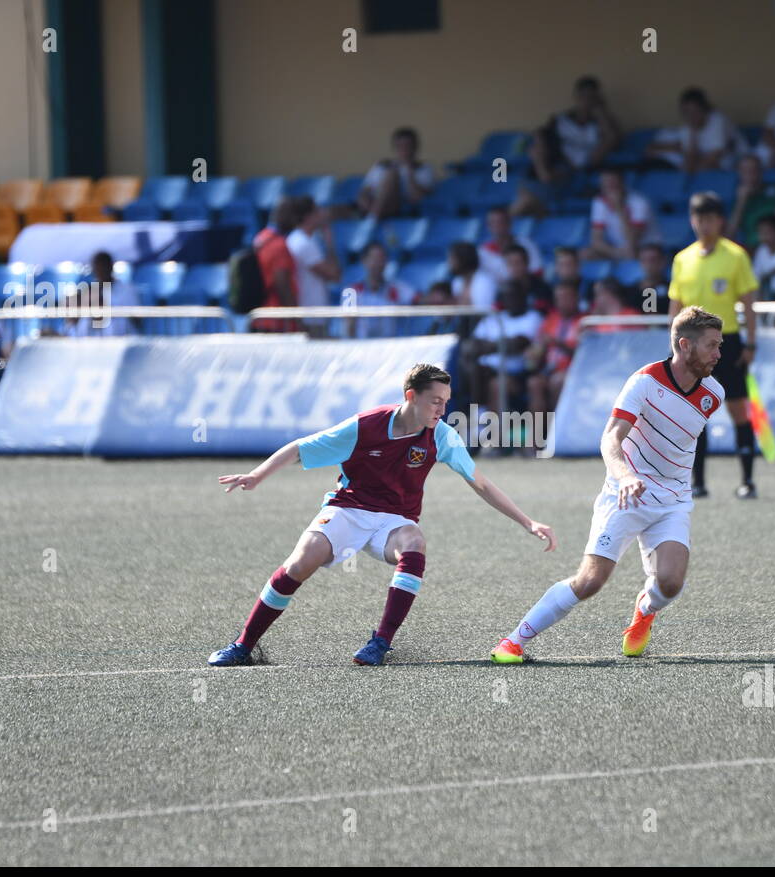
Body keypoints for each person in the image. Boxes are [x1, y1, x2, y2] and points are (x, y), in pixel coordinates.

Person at [210, 364, 555, 667]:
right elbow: (300, 448)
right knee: (300, 563)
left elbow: (480, 483)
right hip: (348, 509)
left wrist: (528, 522)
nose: (442, 409)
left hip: (394, 521)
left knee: (414, 543)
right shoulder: (365, 426)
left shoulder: (442, 436)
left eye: (446, 402)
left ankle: (381, 642)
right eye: (436, 400)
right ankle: (243, 645)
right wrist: (257, 475)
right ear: (411, 396)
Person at [489, 306, 726, 664]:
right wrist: (626, 476)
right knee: (590, 582)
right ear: (685, 346)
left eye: (719, 345)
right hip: (625, 495)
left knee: (671, 583)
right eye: (712, 346)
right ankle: (513, 641)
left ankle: (645, 610)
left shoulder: (714, 394)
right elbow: (610, 439)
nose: (719, 354)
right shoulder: (644, 383)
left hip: (674, 499)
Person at [669, 192, 760, 499]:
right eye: (698, 218)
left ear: (720, 221)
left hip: (728, 343)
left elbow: (748, 303)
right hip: (691, 348)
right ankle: (697, 483)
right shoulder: (682, 259)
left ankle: (747, 480)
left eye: (709, 218)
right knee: (693, 413)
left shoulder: (735, 256)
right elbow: (676, 306)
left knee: (737, 409)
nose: (703, 224)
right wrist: (675, 347)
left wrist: (751, 343)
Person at [514, 75, 621, 216]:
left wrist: (600, 112)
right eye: (583, 96)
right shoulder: (561, 120)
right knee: (526, 196)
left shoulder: (602, 124)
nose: (587, 101)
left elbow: (612, 139)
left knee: (525, 202)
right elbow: (541, 137)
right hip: (555, 168)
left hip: (578, 173)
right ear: (576, 97)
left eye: (591, 97)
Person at [460, 278, 542, 419]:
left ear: (523, 296)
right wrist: (500, 345)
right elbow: (471, 345)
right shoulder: (494, 318)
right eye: (506, 296)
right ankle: (476, 414)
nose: (510, 300)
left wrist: (487, 345)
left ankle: (491, 431)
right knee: (465, 363)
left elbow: (519, 344)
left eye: (514, 295)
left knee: (496, 383)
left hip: (516, 374)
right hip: (485, 370)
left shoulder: (533, 317)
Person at [645, 87, 742, 172]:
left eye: (694, 111)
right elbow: (689, 160)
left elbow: (714, 157)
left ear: (704, 109)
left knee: (714, 166)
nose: (690, 116)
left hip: (737, 159)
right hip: (704, 161)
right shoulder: (687, 127)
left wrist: (691, 174)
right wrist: (693, 134)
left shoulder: (718, 121)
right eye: (686, 112)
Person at [332, 240, 416, 338]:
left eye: (381, 258)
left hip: (389, 347)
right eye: (374, 259)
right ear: (364, 261)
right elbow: (348, 325)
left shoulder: (398, 288)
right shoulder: (350, 292)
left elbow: (422, 300)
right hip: (361, 348)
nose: (378, 263)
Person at [526, 278, 583, 421]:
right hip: (550, 370)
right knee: (534, 383)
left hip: (574, 372)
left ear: (576, 298)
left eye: (566, 297)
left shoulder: (585, 321)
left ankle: (557, 434)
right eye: (559, 298)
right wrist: (534, 353)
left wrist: (558, 344)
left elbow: (584, 355)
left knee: (557, 381)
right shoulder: (551, 319)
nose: (562, 302)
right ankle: (535, 438)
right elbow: (538, 347)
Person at [357, 127, 435, 220]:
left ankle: (371, 220)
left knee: (392, 175)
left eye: (408, 145)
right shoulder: (382, 165)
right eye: (400, 146)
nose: (404, 149)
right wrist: (364, 200)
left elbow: (417, 198)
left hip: (402, 209)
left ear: (415, 147)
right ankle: (372, 217)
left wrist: (409, 171)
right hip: (373, 204)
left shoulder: (423, 168)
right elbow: (366, 190)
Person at [286, 198, 342, 324]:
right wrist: (329, 242)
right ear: (308, 217)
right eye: (317, 211)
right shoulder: (304, 243)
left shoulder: (299, 239)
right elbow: (334, 275)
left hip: (311, 314)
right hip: (311, 316)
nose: (322, 214)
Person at [248, 198, 299, 333]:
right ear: (283, 215)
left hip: (258, 317)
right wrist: (297, 320)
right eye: (293, 215)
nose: (296, 220)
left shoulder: (261, 238)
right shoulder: (279, 246)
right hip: (275, 322)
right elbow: (282, 285)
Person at [584, 169, 657, 261]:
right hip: (618, 249)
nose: (609, 188)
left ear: (622, 184)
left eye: (612, 184)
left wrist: (619, 209)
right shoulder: (599, 202)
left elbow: (632, 240)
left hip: (645, 247)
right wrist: (615, 253)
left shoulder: (639, 202)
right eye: (605, 184)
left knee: (631, 252)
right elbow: (596, 240)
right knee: (586, 254)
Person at [62, 252, 138, 336]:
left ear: (111, 267)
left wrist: (106, 309)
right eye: (97, 268)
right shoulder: (90, 289)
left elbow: (135, 317)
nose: (100, 271)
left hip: (121, 333)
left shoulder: (127, 289)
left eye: (103, 267)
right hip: (94, 337)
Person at [477, 207, 542, 283]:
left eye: (501, 222)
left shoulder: (526, 244)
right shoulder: (483, 251)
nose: (497, 226)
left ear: (509, 223)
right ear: (488, 226)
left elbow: (537, 272)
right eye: (492, 222)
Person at [634, 242, 670, 314]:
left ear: (662, 262)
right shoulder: (630, 292)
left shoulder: (672, 290)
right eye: (644, 260)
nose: (648, 265)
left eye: (652, 260)